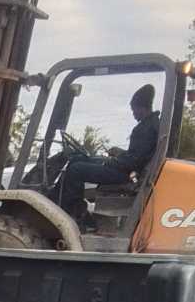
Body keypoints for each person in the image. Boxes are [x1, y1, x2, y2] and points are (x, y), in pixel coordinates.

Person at [59, 84, 160, 221]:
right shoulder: (150, 124)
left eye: (134, 110)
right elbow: (137, 155)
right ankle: (73, 207)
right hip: (129, 170)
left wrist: (111, 162)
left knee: (75, 169)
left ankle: (73, 213)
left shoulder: (147, 129)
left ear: (142, 108)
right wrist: (120, 153)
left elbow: (134, 161)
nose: (133, 114)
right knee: (77, 159)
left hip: (129, 174)